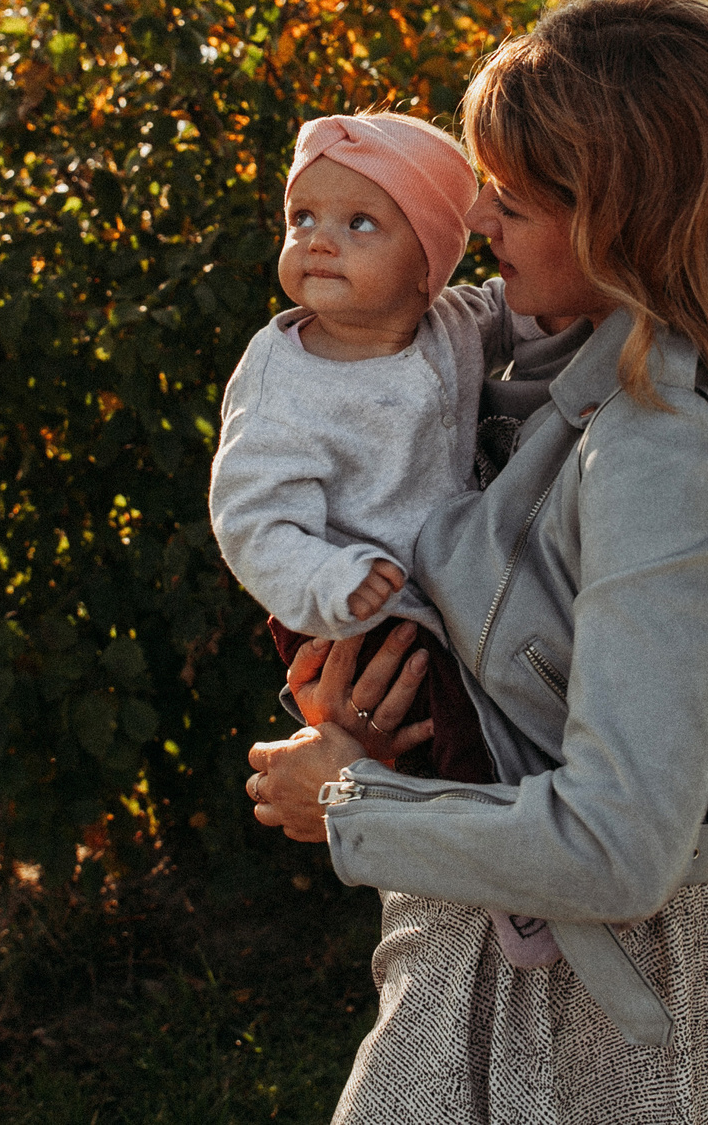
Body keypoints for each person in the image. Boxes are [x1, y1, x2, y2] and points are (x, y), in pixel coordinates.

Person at [244, 0, 708, 1125]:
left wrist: (354, 800)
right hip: (469, 943)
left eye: (512, 198)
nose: (477, 221)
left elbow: (620, 846)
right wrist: (385, 711)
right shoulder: (545, 378)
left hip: (578, 1018)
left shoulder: (667, 453)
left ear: (628, 215)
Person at [209, 111, 558, 962]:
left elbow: (526, 316)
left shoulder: (451, 325)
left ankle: (517, 857)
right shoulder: (285, 371)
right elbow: (250, 515)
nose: (320, 241)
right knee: (439, 722)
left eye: (359, 223)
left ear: (426, 265)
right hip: (347, 599)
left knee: (496, 706)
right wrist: (330, 578)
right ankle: (513, 898)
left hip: (448, 583)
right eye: (303, 219)